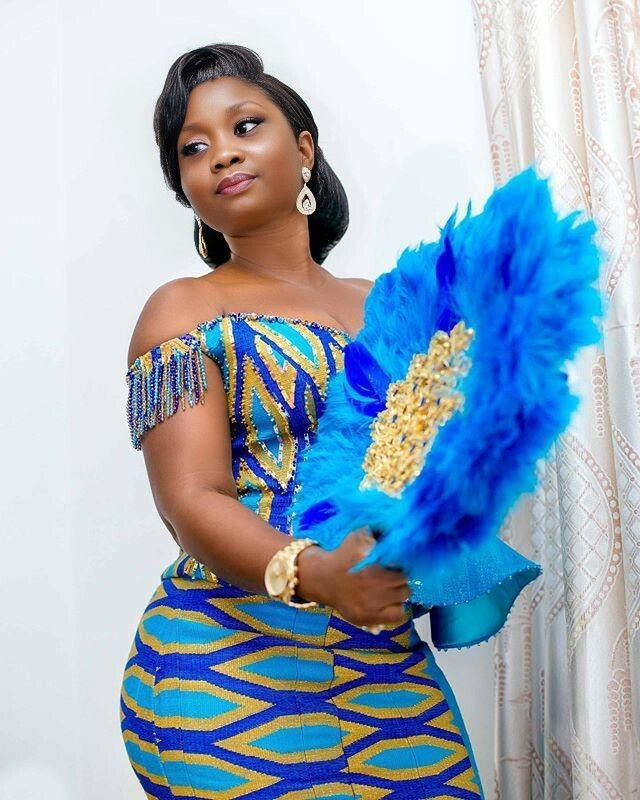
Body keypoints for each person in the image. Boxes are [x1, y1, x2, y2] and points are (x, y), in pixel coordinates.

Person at [119, 42, 485, 800]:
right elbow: (191, 500)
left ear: (306, 149)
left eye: (245, 126)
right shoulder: (183, 310)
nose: (221, 153)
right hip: (226, 661)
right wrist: (313, 572)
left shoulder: (390, 305)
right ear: (187, 188)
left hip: (380, 657)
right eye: (193, 148)